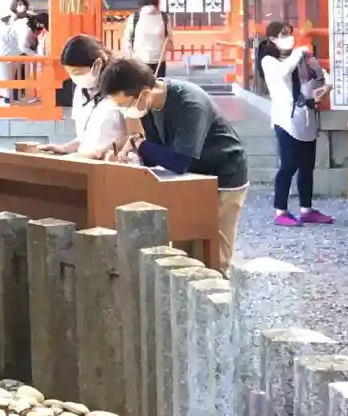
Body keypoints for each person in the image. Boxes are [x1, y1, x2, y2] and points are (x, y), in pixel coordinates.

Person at [97, 56, 251, 270]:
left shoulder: (190, 103)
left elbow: (179, 161)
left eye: (125, 104)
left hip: (223, 175)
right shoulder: (146, 105)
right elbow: (153, 152)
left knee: (215, 256)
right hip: (190, 179)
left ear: (144, 92)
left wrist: (138, 144)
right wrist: (129, 157)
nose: (125, 111)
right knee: (184, 252)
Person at [258, 21, 332, 227]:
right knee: (288, 165)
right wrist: (298, 54)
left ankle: (306, 209)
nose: (288, 38)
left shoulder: (299, 58)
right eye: (283, 35)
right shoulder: (269, 60)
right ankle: (280, 210)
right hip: (285, 118)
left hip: (306, 116)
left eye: (289, 33)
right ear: (272, 39)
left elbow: (321, 76)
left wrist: (326, 87)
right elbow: (283, 72)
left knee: (307, 166)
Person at [29, 35, 109, 155]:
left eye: (77, 72)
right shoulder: (80, 91)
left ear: (97, 64)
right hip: (86, 158)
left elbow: (129, 137)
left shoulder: (119, 91)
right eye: (71, 74)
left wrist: (98, 153)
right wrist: (65, 148)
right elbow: (85, 138)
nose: (75, 78)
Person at [122, 0, 170, 77]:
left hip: (141, 62)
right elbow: (170, 43)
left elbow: (126, 42)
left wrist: (131, 59)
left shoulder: (134, 18)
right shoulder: (164, 17)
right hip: (155, 62)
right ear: (156, 0)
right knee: (157, 85)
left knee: (140, 85)